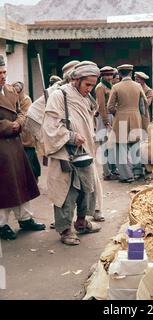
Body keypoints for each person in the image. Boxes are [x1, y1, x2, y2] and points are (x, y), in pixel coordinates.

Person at [42, 61, 102, 245]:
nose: (90, 89)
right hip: (65, 153)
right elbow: (50, 126)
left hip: (84, 153)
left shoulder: (85, 97)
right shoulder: (59, 96)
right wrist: (70, 136)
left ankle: (82, 222)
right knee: (67, 192)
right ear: (76, 79)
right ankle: (65, 229)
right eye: (87, 85)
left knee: (86, 189)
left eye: (93, 85)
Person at [0, 55, 45, 240]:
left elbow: (21, 112)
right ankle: (1, 224)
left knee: (21, 182)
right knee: (4, 187)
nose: (3, 76)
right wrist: (10, 126)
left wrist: (18, 122)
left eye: (4, 72)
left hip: (15, 145)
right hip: (2, 147)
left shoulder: (11, 90)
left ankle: (25, 219)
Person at [107, 64, 147, 183]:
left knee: (121, 149)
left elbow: (110, 107)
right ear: (131, 73)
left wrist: (118, 113)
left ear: (119, 73)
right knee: (135, 147)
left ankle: (126, 176)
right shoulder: (138, 86)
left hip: (121, 120)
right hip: (136, 118)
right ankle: (138, 172)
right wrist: (140, 117)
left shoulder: (116, 87)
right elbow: (143, 105)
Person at [12, 81, 41, 182]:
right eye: (14, 91)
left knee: (30, 157)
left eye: (18, 92)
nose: (16, 93)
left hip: (27, 134)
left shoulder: (26, 99)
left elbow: (24, 114)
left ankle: (34, 177)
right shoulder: (11, 99)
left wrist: (17, 121)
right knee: (24, 159)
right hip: (17, 134)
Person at [95, 66, 118, 181]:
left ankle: (113, 170)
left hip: (111, 117)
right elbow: (101, 107)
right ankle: (106, 173)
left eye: (110, 75)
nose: (109, 77)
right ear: (102, 76)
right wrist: (106, 122)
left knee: (112, 145)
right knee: (104, 146)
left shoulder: (110, 85)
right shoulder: (100, 87)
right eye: (107, 75)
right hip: (104, 118)